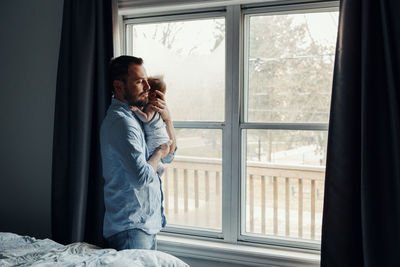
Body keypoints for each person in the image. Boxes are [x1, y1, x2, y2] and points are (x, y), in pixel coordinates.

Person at [100, 55, 177, 250]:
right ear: (118, 86)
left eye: (146, 80)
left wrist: (167, 120)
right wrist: (158, 153)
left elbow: (170, 154)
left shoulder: (137, 117)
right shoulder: (122, 122)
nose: (148, 87)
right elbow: (142, 176)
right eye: (139, 82)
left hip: (146, 224)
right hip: (130, 228)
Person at [130, 76, 175, 176]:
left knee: (148, 157)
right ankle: (158, 168)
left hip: (156, 139)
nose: (144, 88)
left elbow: (169, 157)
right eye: (141, 83)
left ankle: (157, 168)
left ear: (153, 94)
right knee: (149, 157)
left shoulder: (151, 107)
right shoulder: (147, 107)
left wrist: (168, 120)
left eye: (147, 87)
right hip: (160, 140)